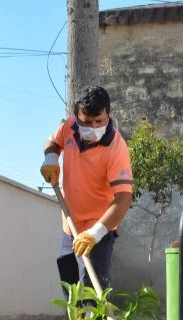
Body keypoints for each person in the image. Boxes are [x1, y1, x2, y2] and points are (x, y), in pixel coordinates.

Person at [39, 86, 134, 293]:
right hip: (70, 227)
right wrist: (51, 158)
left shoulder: (116, 148)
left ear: (108, 115)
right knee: (71, 293)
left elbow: (123, 197)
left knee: (92, 294)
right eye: (86, 122)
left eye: (99, 121)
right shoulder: (69, 127)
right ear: (76, 118)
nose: (93, 127)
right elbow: (53, 141)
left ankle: (96, 318)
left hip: (97, 233)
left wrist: (95, 234)